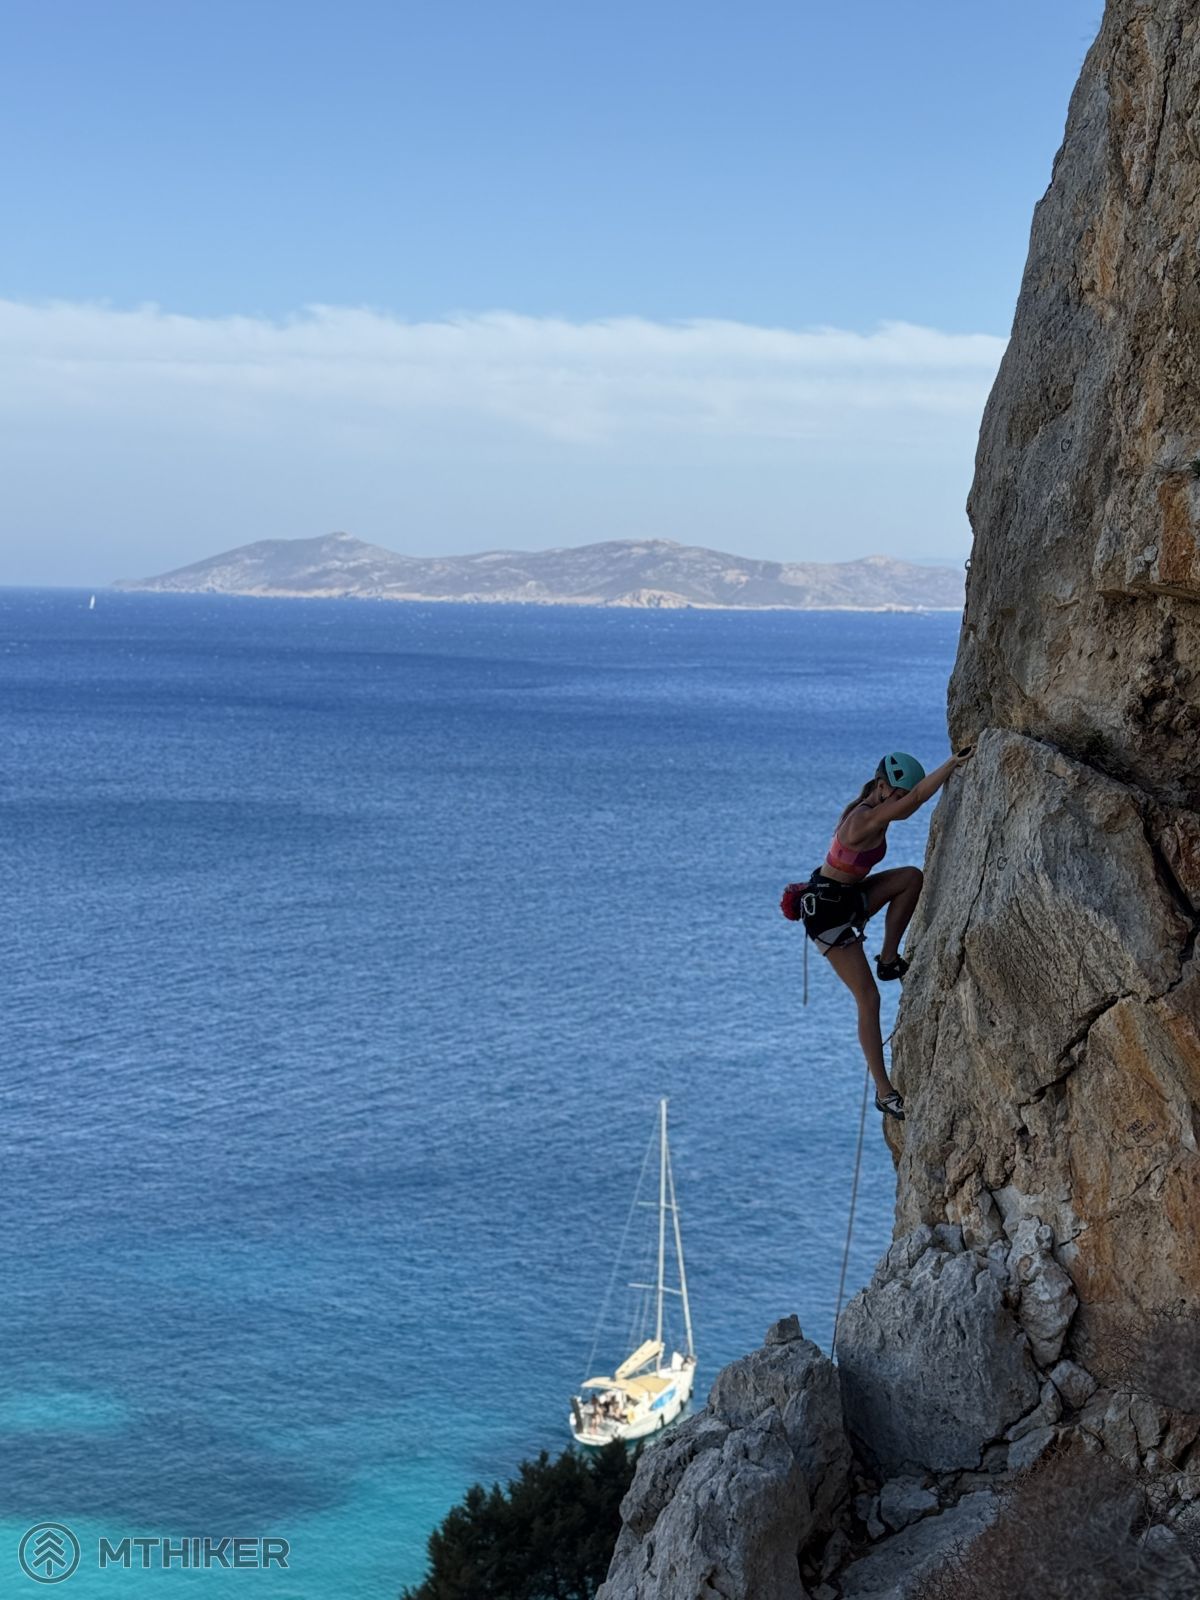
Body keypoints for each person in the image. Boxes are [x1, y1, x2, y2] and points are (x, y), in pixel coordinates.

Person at [801, 749, 971, 1121]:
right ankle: (884, 1091)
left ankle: (889, 959)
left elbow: (903, 807)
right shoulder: (865, 816)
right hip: (828, 914)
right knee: (869, 999)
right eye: (895, 793)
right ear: (882, 787)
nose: (897, 801)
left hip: (845, 898)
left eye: (898, 795)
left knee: (910, 878)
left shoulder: (872, 809)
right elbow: (914, 803)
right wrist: (952, 764)